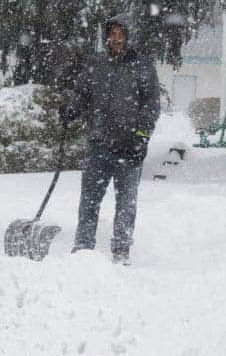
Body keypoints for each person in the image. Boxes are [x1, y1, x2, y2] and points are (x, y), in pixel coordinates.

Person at [60, 15, 159, 264]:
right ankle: (83, 248)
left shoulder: (143, 66)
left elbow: (151, 104)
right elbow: (82, 93)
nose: (116, 38)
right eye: (112, 34)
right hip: (99, 145)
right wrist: (72, 109)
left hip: (129, 147)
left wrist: (142, 137)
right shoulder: (96, 63)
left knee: (126, 203)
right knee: (89, 200)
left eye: (121, 34)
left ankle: (121, 250)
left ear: (129, 37)